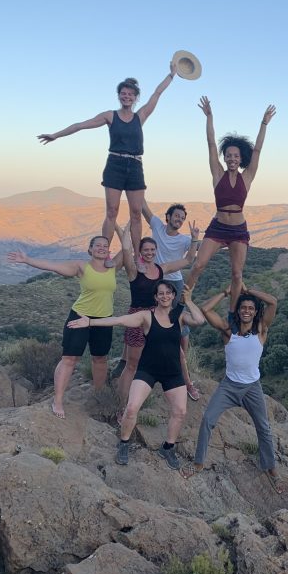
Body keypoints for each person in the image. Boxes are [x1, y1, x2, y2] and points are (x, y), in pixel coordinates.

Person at [37, 62, 178, 256]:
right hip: (115, 165)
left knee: (136, 213)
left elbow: (157, 93)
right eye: (123, 93)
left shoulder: (141, 116)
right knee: (112, 211)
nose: (126, 96)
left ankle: (138, 257)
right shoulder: (110, 116)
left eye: (130, 94)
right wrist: (56, 135)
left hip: (135, 166)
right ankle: (104, 252)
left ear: (135, 97)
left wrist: (172, 75)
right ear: (119, 95)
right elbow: (80, 125)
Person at [68, 281, 204, 468]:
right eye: (160, 293)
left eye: (168, 293)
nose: (164, 296)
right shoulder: (146, 316)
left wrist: (188, 300)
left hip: (172, 373)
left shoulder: (180, 316)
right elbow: (119, 320)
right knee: (131, 408)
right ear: (155, 297)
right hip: (147, 369)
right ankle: (124, 443)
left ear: (173, 295)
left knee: (180, 412)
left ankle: (168, 447)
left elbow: (200, 320)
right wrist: (90, 322)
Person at [180, 284, 283, 493]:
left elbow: (273, 301)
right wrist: (226, 293)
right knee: (208, 419)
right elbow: (206, 310)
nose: (246, 311)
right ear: (238, 310)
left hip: (252, 387)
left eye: (250, 308)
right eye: (243, 308)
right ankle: (198, 463)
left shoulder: (262, 330)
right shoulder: (228, 332)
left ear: (256, 312)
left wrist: (248, 291)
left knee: (263, 428)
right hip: (229, 386)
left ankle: (271, 469)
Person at [6, 236, 118, 418]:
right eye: (97, 245)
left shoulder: (113, 267)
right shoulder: (81, 266)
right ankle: (58, 400)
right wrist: (27, 260)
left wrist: (126, 228)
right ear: (90, 250)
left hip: (103, 320)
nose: (102, 248)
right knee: (69, 359)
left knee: (100, 358)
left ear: (109, 250)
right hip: (80, 317)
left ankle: (98, 395)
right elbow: (54, 266)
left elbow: (129, 248)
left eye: (105, 246)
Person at [184, 97, 276, 309]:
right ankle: (183, 299)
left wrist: (263, 124)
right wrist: (209, 117)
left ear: (240, 157)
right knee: (199, 264)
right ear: (224, 157)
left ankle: (234, 311)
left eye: (236, 156)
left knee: (237, 274)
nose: (232, 158)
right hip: (218, 227)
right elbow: (210, 143)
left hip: (238, 230)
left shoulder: (247, 176)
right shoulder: (217, 173)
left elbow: (257, 151)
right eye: (228, 155)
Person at [114, 223, 193, 409]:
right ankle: (120, 407)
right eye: (145, 250)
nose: (149, 252)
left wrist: (195, 238)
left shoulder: (161, 269)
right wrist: (124, 234)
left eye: (152, 249)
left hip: (159, 318)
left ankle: (187, 384)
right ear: (140, 252)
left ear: (156, 251)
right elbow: (126, 251)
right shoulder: (134, 270)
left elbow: (189, 259)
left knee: (178, 354)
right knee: (132, 365)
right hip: (138, 318)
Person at [142, 199, 203, 401]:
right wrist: (134, 179)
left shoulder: (185, 240)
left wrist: (194, 238)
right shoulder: (158, 225)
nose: (179, 220)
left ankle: (181, 364)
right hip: (155, 279)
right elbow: (143, 207)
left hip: (174, 283)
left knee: (178, 324)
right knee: (152, 321)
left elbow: (191, 258)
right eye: (177, 216)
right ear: (168, 217)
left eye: (182, 218)